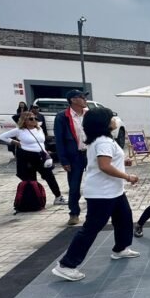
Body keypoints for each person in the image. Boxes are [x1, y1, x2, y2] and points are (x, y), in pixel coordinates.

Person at [52, 106, 139, 282]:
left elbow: (106, 161)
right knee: (91, 228)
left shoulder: (103, 140)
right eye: (111, 118)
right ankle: (67, 265)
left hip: (114, 191)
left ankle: (120, 249)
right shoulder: (103, 142)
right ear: (104, 123)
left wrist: (123, 162)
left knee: (124, 219)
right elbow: (104, 166)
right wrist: (127, 176)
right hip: (102, 193)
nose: (115, 120)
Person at [0, 111, 67, 205]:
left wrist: (45, 151)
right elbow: (2, 137)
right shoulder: (19, 130)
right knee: (31, 179)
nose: (34, 120)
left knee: (50, 176)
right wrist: (15, 142)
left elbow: (41, 142)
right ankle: (34, 200)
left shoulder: (39, 129)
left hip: (41, 156)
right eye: (31, 118)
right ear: (24, 120)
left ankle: (58, 197)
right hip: (27, 156)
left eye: (35, 118)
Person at [54, 90, 89, 226]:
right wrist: (63, 159)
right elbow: (59, 140)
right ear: (73, 100)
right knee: (74, 186)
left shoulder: (88, 114)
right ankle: (74, 213)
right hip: (74, 155)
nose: (85, 100)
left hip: (90, 153)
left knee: (94, 182)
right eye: (82, 97)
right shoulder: (63, 117)